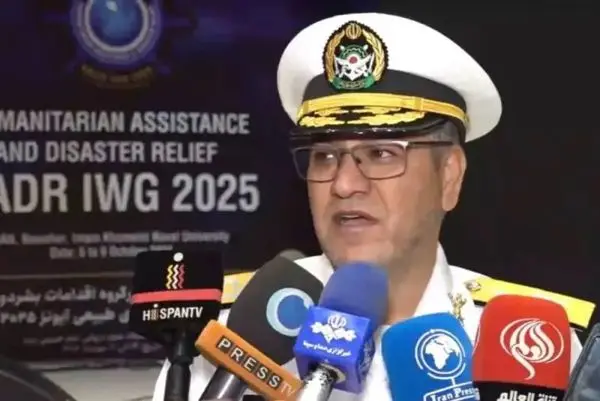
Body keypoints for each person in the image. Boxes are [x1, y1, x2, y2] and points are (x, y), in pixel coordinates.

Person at [152, 13, 595, 401]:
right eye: (325, 156)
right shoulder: (235, 335)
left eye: (382, 154)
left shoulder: (535, 344)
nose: (344, 184)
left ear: (449, 176)